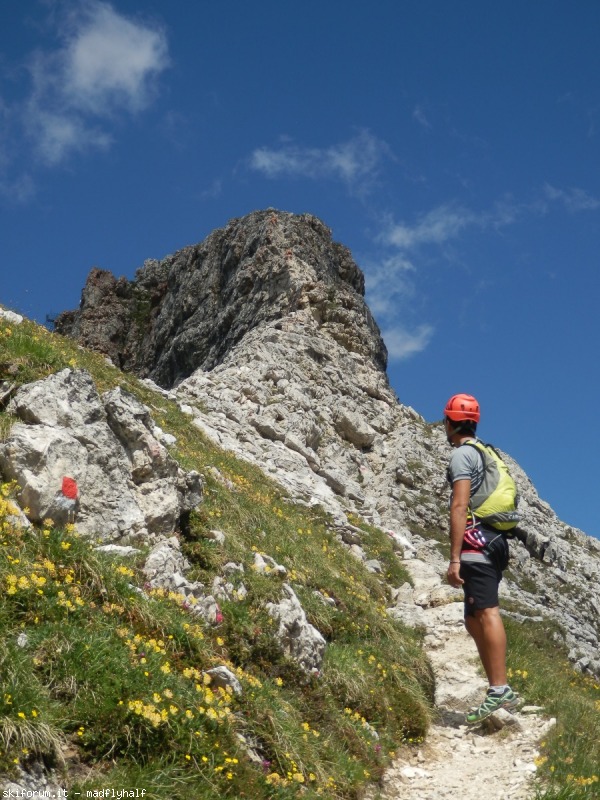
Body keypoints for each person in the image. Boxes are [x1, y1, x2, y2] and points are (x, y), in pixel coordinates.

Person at [443, 393, 519, 724]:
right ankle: (496, 688)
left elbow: (459, 506)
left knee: (485, 611)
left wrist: (454, 558)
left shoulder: (462, 456)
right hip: (497, 540)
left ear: (450, 422)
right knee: (473, 616)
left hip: (477, 540)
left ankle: (500, 689)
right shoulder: (487, 452)